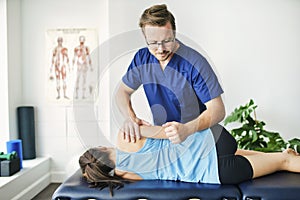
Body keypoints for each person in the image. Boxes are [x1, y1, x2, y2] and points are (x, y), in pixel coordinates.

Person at [79, 124, 300, 196]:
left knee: (282, 162)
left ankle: (283, 157)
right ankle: (285, 156)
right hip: (214, 141)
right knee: (284, 161)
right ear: (101, 150)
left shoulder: (125, 177)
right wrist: (143, 127)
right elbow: (169, 131)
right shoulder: (124, 137)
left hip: (218, 174)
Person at [115, 4, 225, 144]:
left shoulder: (194, 62)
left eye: (167, 41)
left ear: (174, 32)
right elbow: (122, 91)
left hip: (198, 137)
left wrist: (187, 129)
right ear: (145, 37)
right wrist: (130, 117)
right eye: (153, 43)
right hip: (165, 139)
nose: (160, 49)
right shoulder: (142, 59)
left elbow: (218, 109)